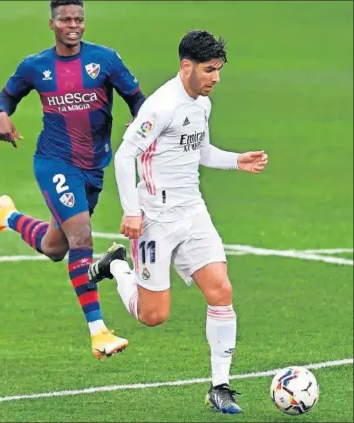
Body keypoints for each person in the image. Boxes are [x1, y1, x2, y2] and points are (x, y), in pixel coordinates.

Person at [88, 30, 269, 413]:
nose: (215, 78)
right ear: (186, 66)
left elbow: (200, 152)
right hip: (156, 218)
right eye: (208, 70)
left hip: (193, 212)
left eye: (218, 70)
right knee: (153, 316)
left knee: (221, 290)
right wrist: (132, 211)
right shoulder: (161, 106)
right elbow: (125, 156)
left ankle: (220, 386)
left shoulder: (201, 104)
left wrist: (236, 160)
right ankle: (116, 265)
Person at [0, 0, 146, 360]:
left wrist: (140, 122)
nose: (74, 25)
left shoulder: (105, 60)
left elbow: (137, 99)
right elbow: (8, 94)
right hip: (55, 161)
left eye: (79, 19)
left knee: (57, 248)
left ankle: (5, 217)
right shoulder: (36, 66)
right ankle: (98, 332)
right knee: (82, 235)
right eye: (66, 19)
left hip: (93, 167)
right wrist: (1, 116)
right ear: (51, 24)